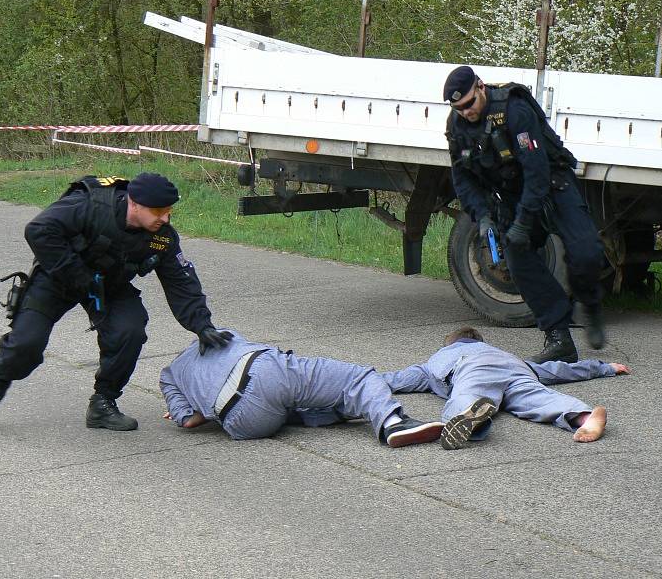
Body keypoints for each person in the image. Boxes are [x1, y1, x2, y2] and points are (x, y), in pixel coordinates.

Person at [0, 172, 233, 431]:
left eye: (168, 211)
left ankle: (103, 403)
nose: (165, 218)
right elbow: (39, 230)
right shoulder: (90, 206)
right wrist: (78, 275)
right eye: (157, 212)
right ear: (134, 203)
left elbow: (181, 281)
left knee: (129, 330)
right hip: (60, 276)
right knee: (27, 342)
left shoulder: (163, 237)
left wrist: (202, 324)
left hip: (108, 285)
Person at [443, 65, 605, 363]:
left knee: (586, 253)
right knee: (518, 261)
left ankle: (590, 303)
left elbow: (536, 169)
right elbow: (462, 179)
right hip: (512, 195)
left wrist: (524, 221)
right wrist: (484, 217)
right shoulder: (456, 126)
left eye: (468, 104)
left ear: (480, 87)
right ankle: (559, 337)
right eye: (458, 107)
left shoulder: (514, 110)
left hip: (551, 184)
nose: (465, 112)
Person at [160, 330, 445, 448]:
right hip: (262, 373)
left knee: (295, 408)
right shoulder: (212, 332)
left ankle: (351, 410)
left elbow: (188, 422)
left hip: (242, 424)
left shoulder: (170, 375)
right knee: (358, 378)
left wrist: (198, 408)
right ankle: (393, 424)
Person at [380, 327, 628, 450]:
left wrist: (355, 382)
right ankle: (584, 417)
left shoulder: (441, 358)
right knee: (539, 397)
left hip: (471, 369)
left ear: (450, 344)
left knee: (466, 395)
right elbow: (558, 369)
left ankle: (467, 415)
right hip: (518, 370)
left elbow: (395, 379)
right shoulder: (503, 354)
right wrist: (603, 367)